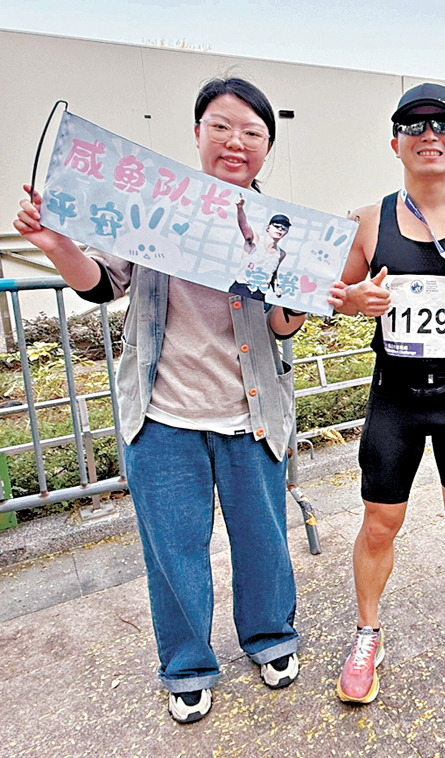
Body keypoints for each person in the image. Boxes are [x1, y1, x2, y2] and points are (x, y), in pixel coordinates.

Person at [14, 77, 307, 724]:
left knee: (263, 542)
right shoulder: (156, 203)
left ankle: (269, 638)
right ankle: (188, 666)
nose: (236, 142)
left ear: (267, 148)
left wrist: (285, 280)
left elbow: (287, 327)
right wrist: (57, 245)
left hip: (250, 415)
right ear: (198, 133)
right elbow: (102, 286)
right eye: (222, 126)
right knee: (172, 551)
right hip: (162, 415)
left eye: (253, 133)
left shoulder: (281, 226)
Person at [328, 83, 445, 704]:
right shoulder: (367, 221)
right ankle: (367, 633)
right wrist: (355, 302)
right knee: (381, 521)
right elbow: (335, 297)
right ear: (396, 144)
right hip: (397, 397)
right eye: (414, 125)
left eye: (443, 123)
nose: (429, 133)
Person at [230, 195, 290, 299]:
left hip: (260, 294)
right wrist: (240, 208)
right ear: (268, 227)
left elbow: (273, 272)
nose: (280, 229)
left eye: (284, 228)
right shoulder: (255, 239)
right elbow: (244, 225)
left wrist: (276, 287)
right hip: (241, 288)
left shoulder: (281, 253)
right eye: (277, 226)